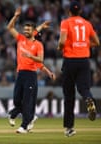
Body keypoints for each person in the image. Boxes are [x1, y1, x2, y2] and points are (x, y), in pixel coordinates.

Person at [6, 7, 56, 134]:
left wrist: (30, 56)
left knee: (27, 101)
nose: (25, 31)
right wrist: (16, 16)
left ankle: (24, 125)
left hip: (31, 75)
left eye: (28, 30)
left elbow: (40, 60)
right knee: (17, 100)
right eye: (24, 29)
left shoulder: (38, 45)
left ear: (33, 31)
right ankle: (28, 116)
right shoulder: (21, 39)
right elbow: (10, 28)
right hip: (20, 73)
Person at [57, 1, 100, 137]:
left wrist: (59, 47)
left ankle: (69, 128)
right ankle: (89, 98)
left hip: (70, 61)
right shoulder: (87, 24)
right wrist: (84, 45)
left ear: (69, 11)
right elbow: (97, 42)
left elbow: (62, 41)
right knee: (84, 88)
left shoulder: (66, 22)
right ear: (80, 11)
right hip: (84, 61)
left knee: (69, 95)